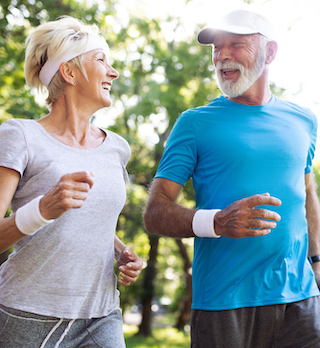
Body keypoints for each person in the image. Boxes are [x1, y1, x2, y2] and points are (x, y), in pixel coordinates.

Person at [144, 9, 320, 348]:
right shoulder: (194, 123)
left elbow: (307, 192)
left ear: (270, 53)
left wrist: (316, 261)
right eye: (216, 48)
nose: (223, 55)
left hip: (301, 298)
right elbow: (154, 211)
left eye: (236, 44)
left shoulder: (304, 121)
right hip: (225, 302)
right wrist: (217, 222)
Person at [0, 16, 142, 348]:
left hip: (102, 314)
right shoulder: (20, 136)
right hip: (27, 316)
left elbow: (89, 222)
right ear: (70, 72)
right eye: (102, 60)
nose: (114, 72)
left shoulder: (117, 148)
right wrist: (42, 210)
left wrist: (121, 251)